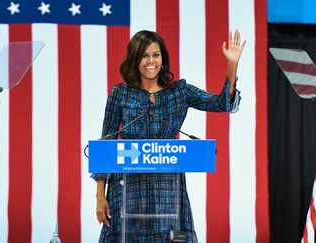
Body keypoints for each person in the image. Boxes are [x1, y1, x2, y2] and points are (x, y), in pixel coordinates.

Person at [91, 29, 245, 242]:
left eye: (156, 55)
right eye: (144, 55)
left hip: (167, 190)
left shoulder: (178, 92)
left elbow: (222, 104)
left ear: (163, 59)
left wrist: (232, 65)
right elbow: (105, 145)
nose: (150, 61)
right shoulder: (120, 93)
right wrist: (100, 196)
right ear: (135, 59)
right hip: (127, 186)